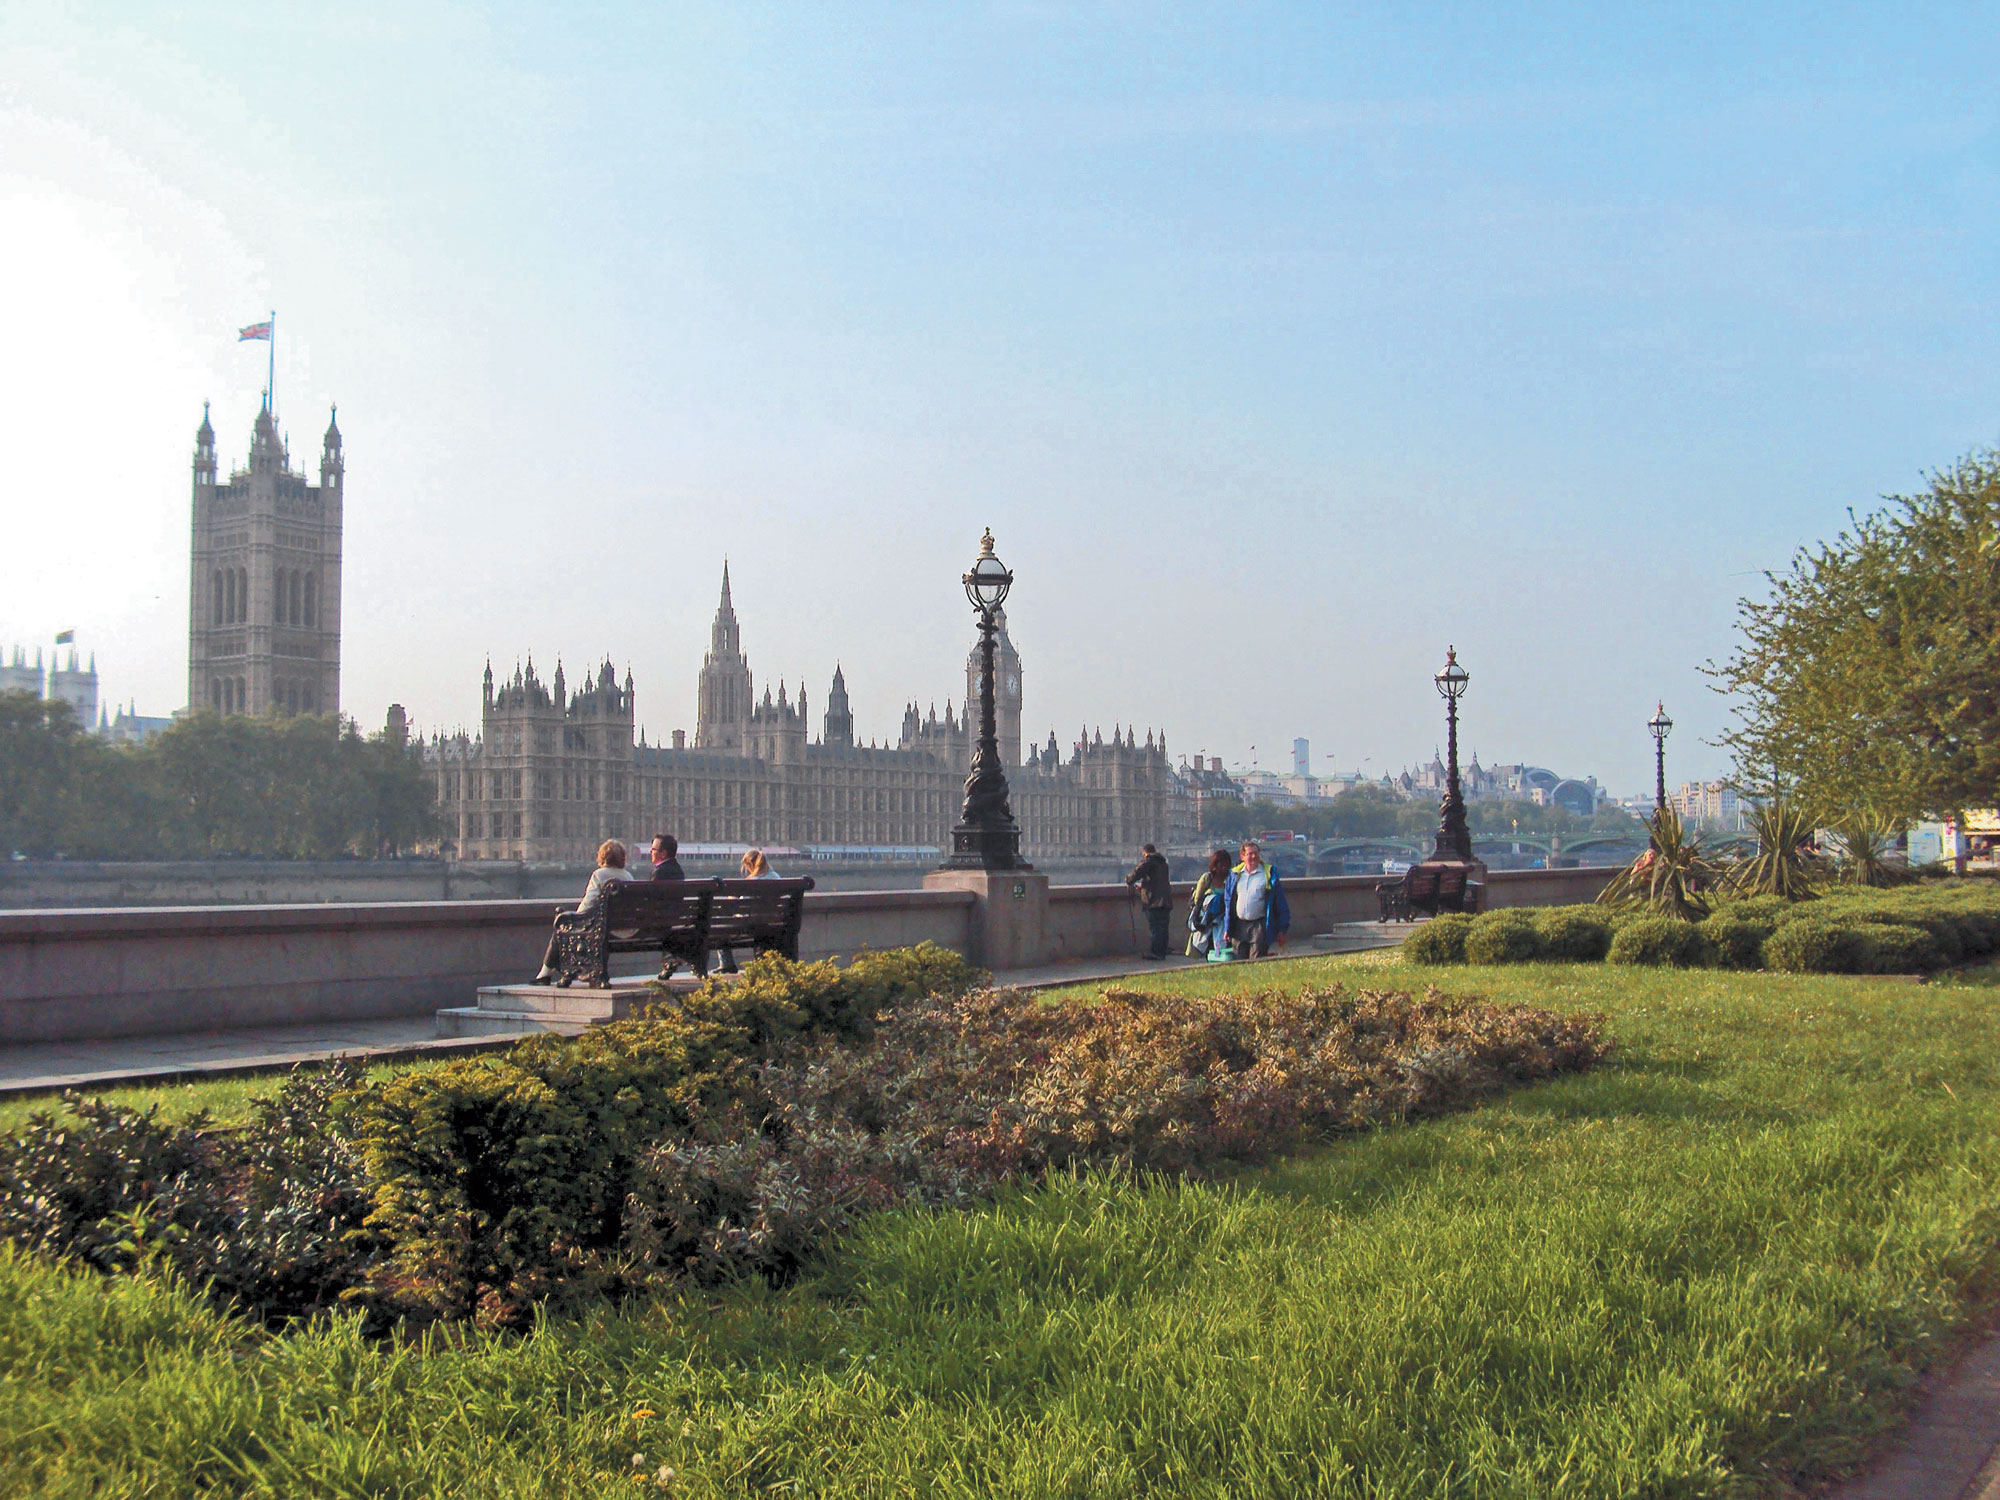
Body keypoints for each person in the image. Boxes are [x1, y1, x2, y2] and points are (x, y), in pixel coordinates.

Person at [531, 839, 635, 983]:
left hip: (603, 929)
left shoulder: (599, 875)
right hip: (625, 928)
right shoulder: (628, 876)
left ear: (602, 856)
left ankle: (546, 973)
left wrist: (573, 916)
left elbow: (588, 903)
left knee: (562, 928)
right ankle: (579, 971)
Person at [1223, 840, 1290, 960]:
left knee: (1257, 960)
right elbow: (1228, 903)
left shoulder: (1268, 875)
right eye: (1250, 854)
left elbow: (1280, 903)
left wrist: (1282, 929)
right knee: (1239, 960)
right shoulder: (1235, 875)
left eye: (1256, 853)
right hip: (1239, 925)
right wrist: (1227, 928)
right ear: (1242, 857)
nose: (1254, 857)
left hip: (1259, 926)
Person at [1124, 843, 1173, 959]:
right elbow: (1157, 881)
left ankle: (1155, 953)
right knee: (1163, 928)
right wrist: (1144, 886)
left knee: (1155, 927)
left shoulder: (1148, 862)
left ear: (1145, 853)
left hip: (1154, 901)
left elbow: (1134, 875)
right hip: (1165, 900)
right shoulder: (1163, 863)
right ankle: (1162, 952)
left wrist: (1128, 880)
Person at [1186, 848, 1232, 958]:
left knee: (1223, 948)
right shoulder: (1207, 878)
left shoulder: (1231, 878)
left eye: (1227, 866)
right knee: (1208, 947)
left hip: (1224, 921)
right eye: (1222, 866)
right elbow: (1198, 900)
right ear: (1215, 866)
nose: (1224, 869)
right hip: (1207, 921)